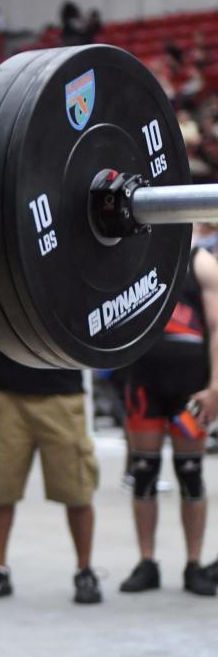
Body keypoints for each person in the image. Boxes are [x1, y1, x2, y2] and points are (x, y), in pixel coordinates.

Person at [0, 341, 102, 604]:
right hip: (7, 390)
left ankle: (85, 570)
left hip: (61, 391)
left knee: (77, 489)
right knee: (0, 487)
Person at [119, 244, 218, 596]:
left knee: (190, 474)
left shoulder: (201, 262)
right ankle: (147, 563)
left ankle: (194, 564)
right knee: (143, 472)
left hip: (190, 387)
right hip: (144, 382)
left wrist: (216, 386)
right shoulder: (136, 254)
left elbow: (217, 325)